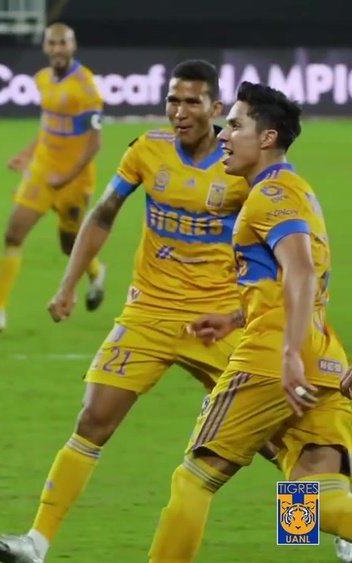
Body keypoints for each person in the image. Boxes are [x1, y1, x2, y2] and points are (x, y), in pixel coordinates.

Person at [0, 60, 268, 563]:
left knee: (277, 438)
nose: (179, 111)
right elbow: (104, 212)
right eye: (173, 100)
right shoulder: (147, 150)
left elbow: (284, 249)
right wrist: (68, 284)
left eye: (192, 101)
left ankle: (333, 524)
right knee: (93, 419)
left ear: (216, 108)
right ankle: (37, 542)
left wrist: (252, 314)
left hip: (216, 320)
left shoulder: (241, 165)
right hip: (148, 313)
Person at [146, 81, 352, 562]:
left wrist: (285, 352)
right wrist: (236, 315)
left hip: (274, 357)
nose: (223, 135)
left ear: (266, 138)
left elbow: (300, 268)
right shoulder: (297, 191)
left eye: (236, 125)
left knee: (195, 477)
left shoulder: (268, 196)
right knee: (305, 501)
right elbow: (293, 279)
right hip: (323, 354)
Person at [0, 22, 106, 332]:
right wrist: (28, 154)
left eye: (63, 43)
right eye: (52, 43)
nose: (57, 49)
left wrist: (66, 176)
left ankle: (96, 272)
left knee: (69, 245)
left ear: (73, 46)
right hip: (43, 171)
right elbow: (48, 126)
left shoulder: (86, 87)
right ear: (45, 47)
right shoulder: (42, 79)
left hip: (74, 179)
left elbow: (95, 142)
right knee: (13, 234)